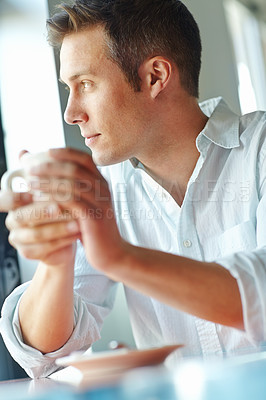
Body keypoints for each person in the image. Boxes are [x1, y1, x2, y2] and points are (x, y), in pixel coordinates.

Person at [0, 0, 266, 379]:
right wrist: (56, 258)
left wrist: (118, 256)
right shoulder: (106, 193)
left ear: (156, 76)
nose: (71, 112)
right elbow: (40, 354)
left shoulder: (260, 149)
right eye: (68, 89)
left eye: (86, 84)